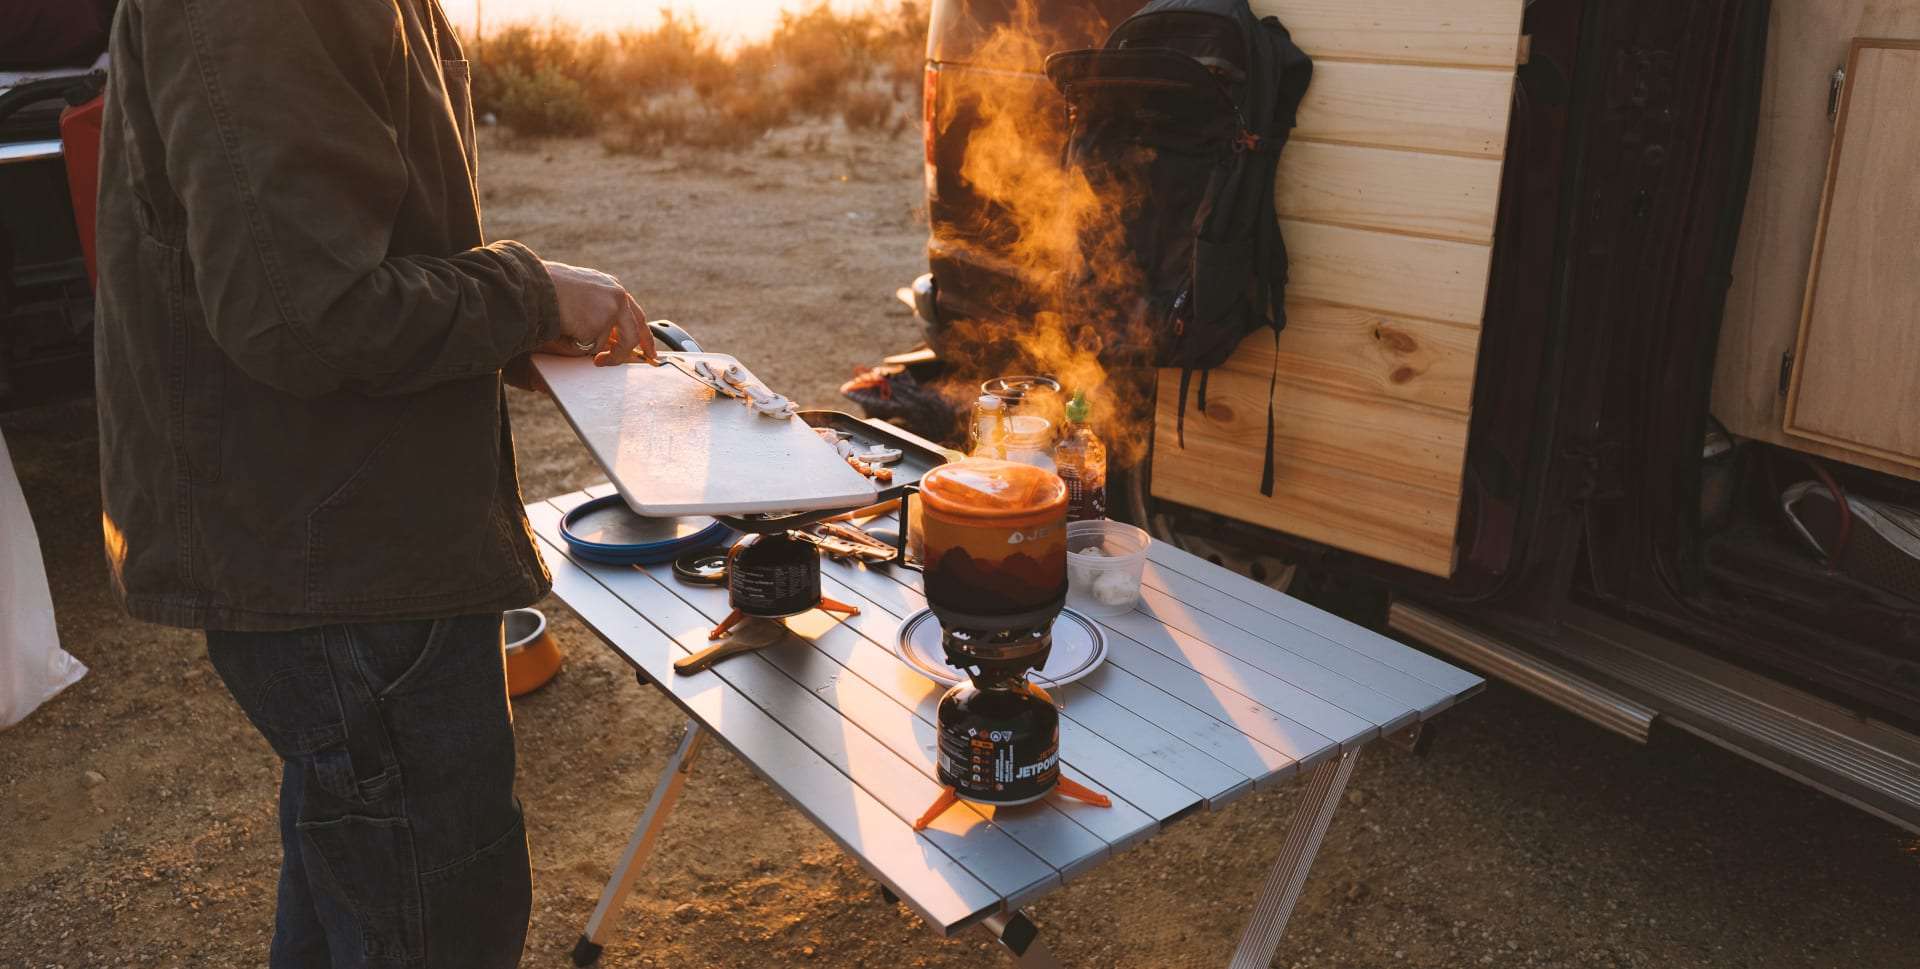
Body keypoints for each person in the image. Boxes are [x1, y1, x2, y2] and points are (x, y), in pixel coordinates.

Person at [92, 1, 651, 966]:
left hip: (352, 539)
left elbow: (348, 242)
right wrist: (525, 294)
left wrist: (504, 332)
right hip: (345, 557)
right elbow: (305, 313)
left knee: (361, 886)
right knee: (436, 920)